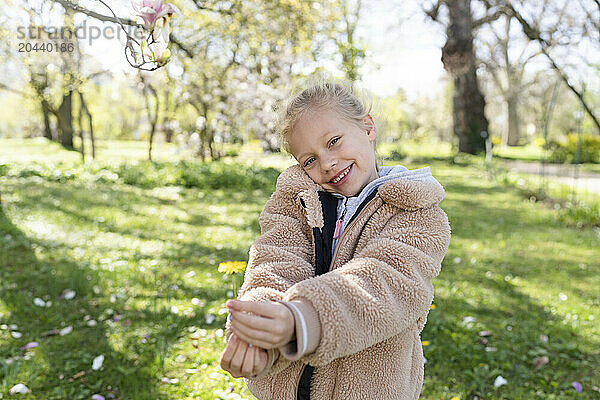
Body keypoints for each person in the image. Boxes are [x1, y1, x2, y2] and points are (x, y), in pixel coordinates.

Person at [219, 81, 451, 400]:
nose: (326, 163)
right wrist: (260, 328)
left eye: (334, 141)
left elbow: (388, 283)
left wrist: (302, 318)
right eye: (309, 160)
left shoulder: (416, 210)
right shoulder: (296, 201)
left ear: (367, 127)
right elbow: (274, 261)